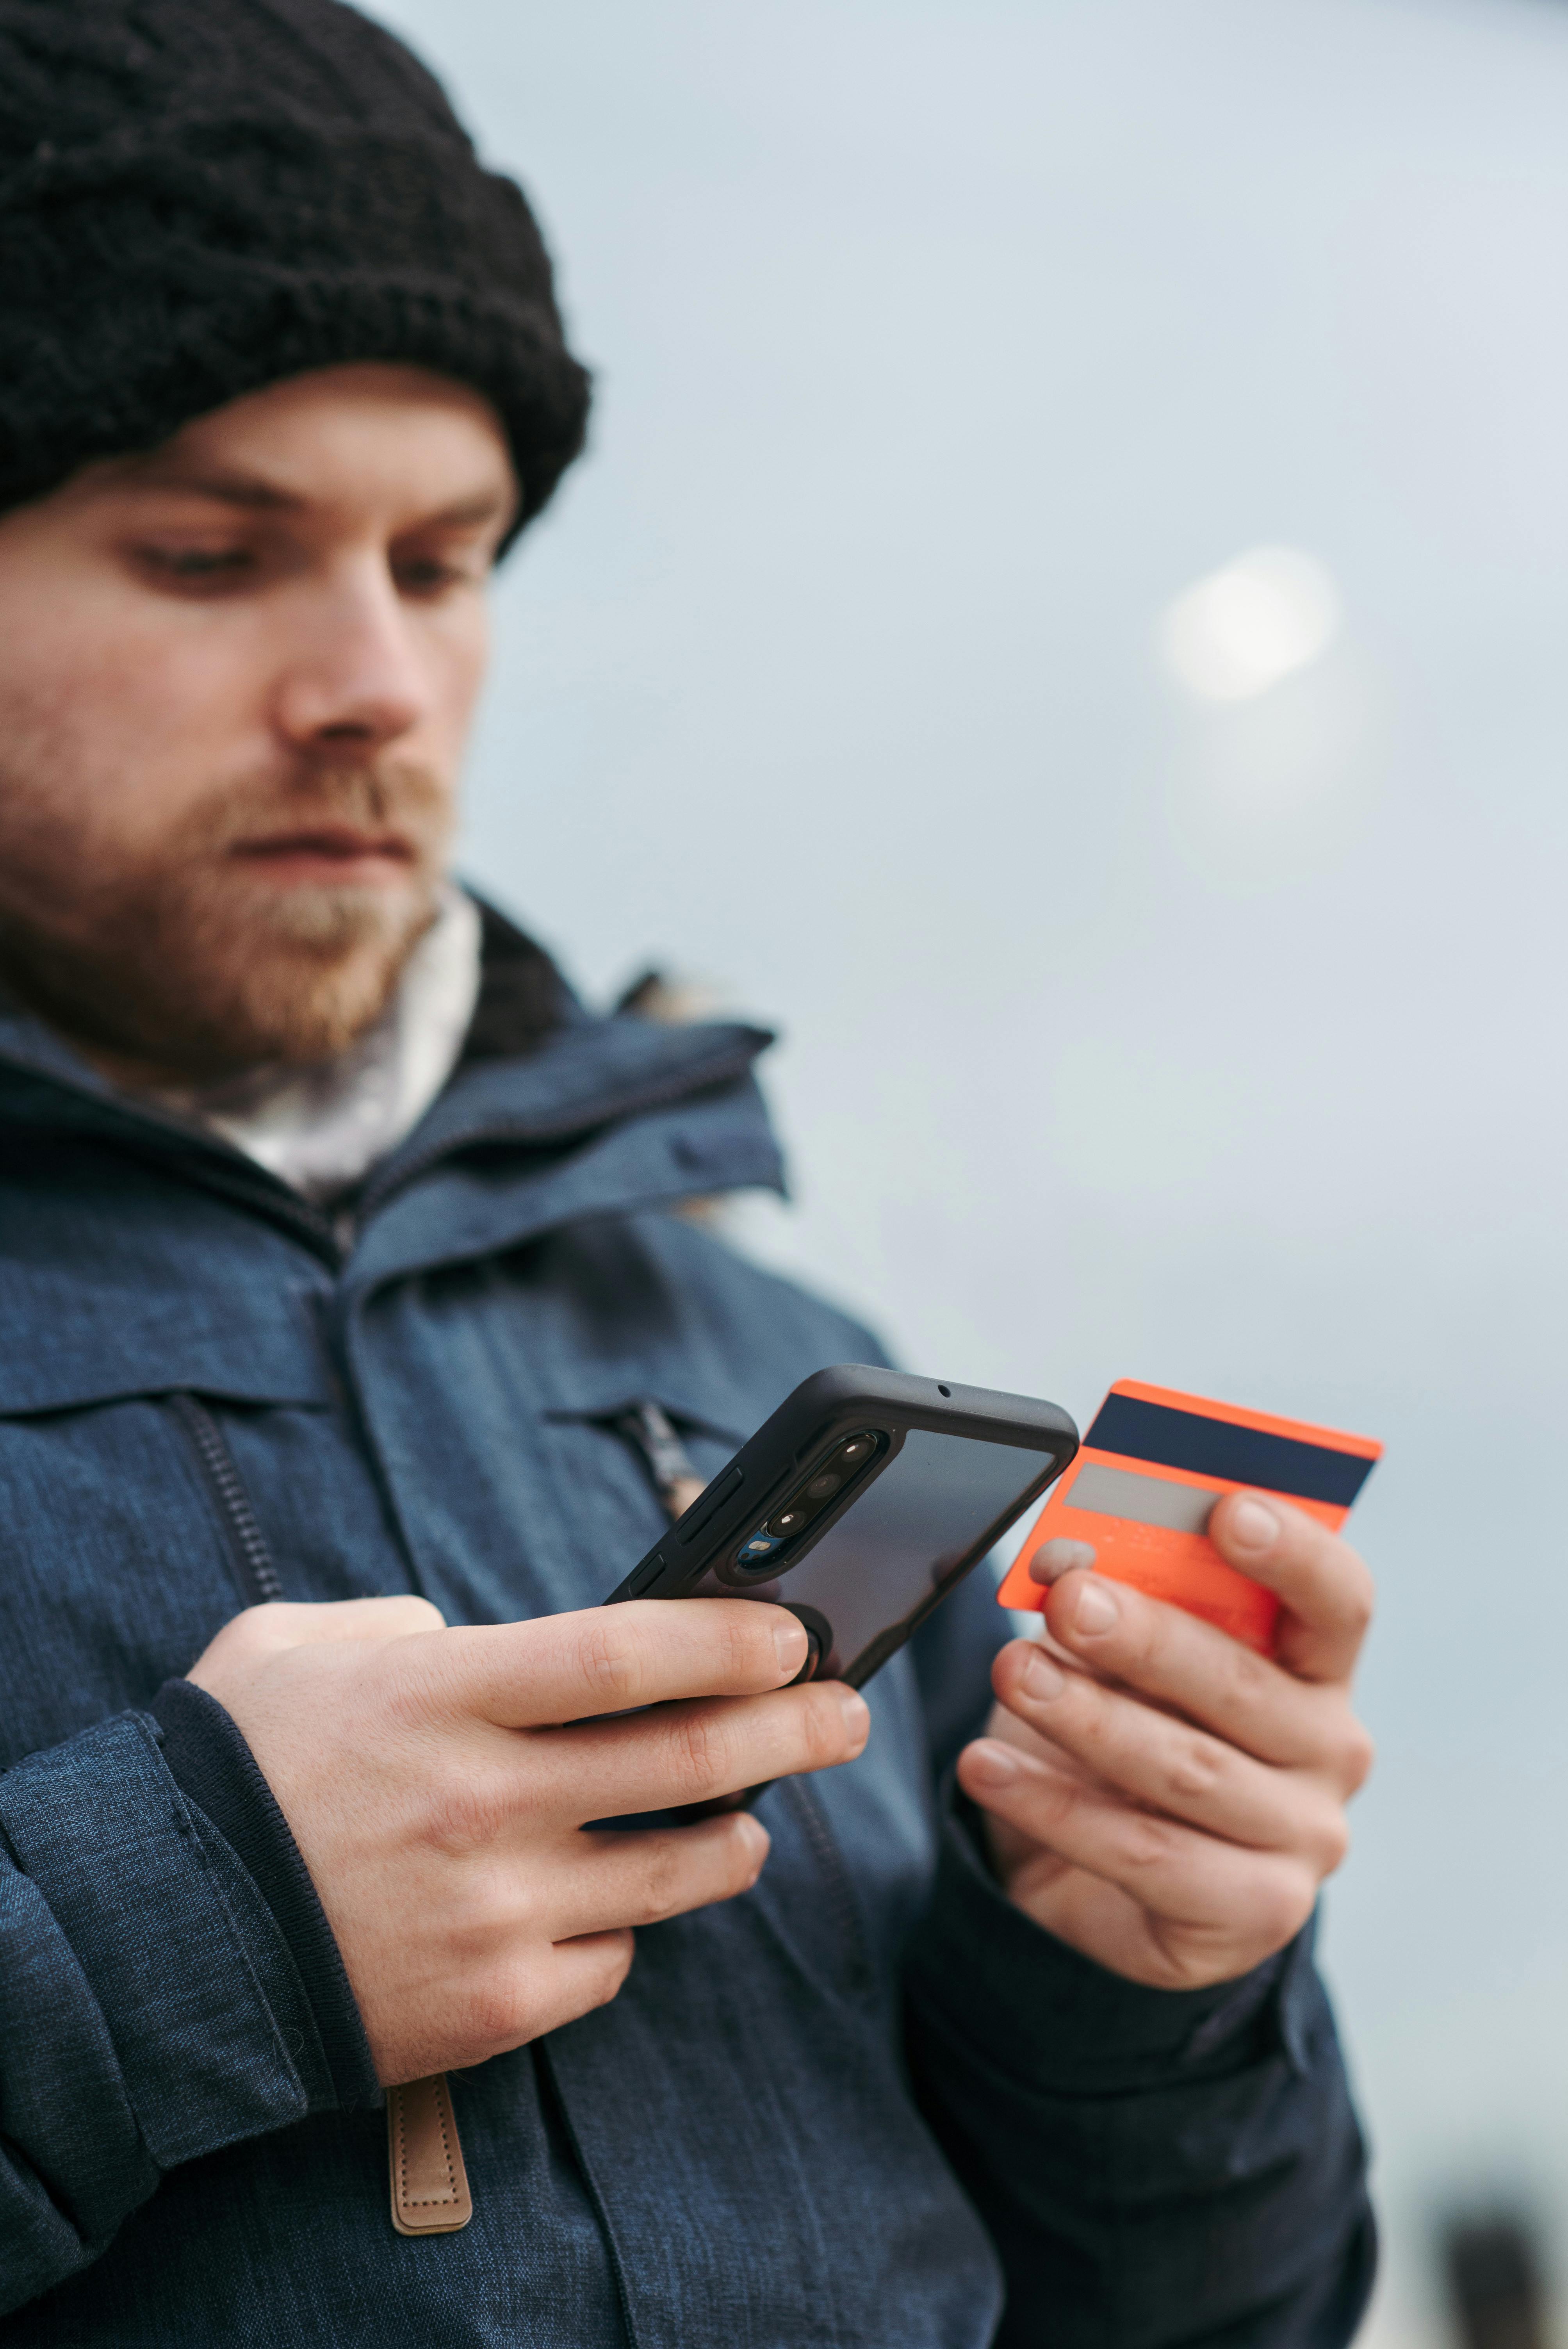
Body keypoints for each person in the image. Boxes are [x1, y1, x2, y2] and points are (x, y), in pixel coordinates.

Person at [0, 3, 1377, 2342]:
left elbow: (1215, 2314)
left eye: (443, 565)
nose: (375, 679)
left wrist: (1152, 2003)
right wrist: (169, 1942)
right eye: (216, 552)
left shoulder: (767, 1355)